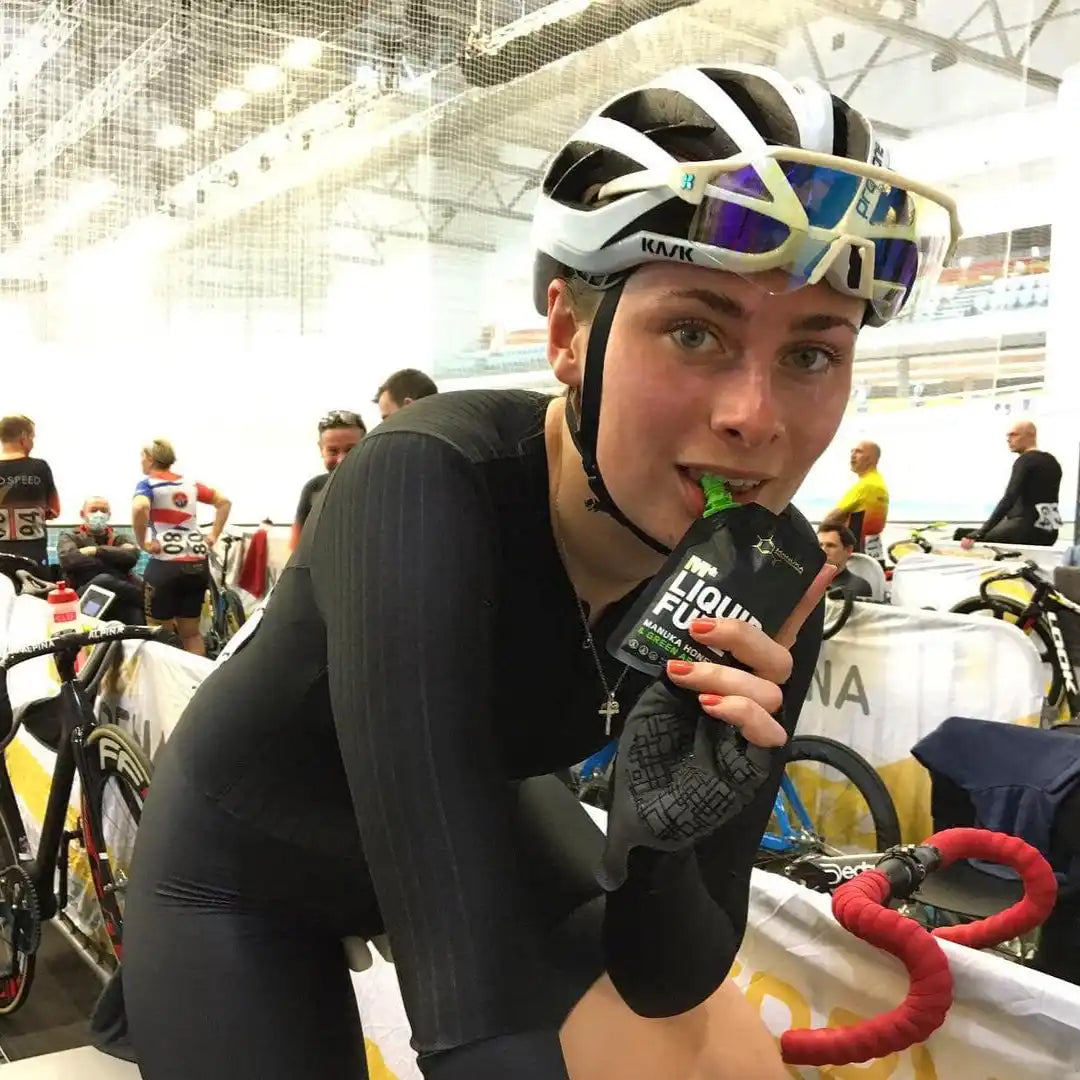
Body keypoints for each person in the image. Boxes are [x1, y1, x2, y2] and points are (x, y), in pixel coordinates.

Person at [120, 63, 956, 1080]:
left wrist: (656, 843)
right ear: (569, 336)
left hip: (476, 816)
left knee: (731, 1065)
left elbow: (672, 979)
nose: (756, 416)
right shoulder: (426, 479)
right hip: (245, 864)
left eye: (813, 355)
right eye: (696, 332)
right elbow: (474, 1019)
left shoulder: (770, 584)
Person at [131, 439, 232, 656]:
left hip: (165, 563)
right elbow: (224, 502)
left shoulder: (148, 484)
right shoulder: (191, 485)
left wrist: (143, 543)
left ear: (150, 458)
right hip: (197, 562)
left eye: (142, 456)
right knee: (192, 634)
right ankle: (197, 684)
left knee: (160, 634)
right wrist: (213, 535)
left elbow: (140, 507)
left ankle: (166, 686)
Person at [958, 420, 1062, 548]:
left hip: (1024, 531)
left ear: (1031, 435)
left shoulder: (1025, 460)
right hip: (1050, 533)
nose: (1008, 439)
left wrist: (981, 532)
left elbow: (1009, 499)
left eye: (1014, 435)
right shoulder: (1052, 461)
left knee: (960, 535)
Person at [56, 497, 144, 624]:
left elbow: (131, 556)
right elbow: (69, 561)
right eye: (93, 510)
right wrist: (113, 561)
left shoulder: (120, 537)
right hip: (86, 596)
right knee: (104, 580)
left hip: (120, 595)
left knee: (134, 613)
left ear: (109, 515)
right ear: (83, 514)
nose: (99, 514)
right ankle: (147, 601)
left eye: (103, 510)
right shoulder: (70, 536)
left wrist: (95, 551)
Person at [290, 410, 367, 550]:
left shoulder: (383, 487)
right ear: (321, 451)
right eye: (332, 451)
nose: (341, 459)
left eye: (351, 449)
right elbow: (296, 549)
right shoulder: (313, 489)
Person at [0, 415, 60, 570]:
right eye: (32, 437)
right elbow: (54, 510)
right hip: (33, 553)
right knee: (35, 593)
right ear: (23, 437)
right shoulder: (39, 468)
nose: (32, 443)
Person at [824, 440, 888, 560]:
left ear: (871, 459)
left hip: (856, 553)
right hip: (873, 550)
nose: (852, 455)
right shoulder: (879, 483)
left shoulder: (865, 485)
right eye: (852, 451)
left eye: (859, 452)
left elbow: (831, 518)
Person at [817, 524, 873, 600]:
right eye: (820, 545)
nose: (823, 550)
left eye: (830, 545)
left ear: (848, 550)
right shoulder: (805, 581)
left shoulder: (858, 587)